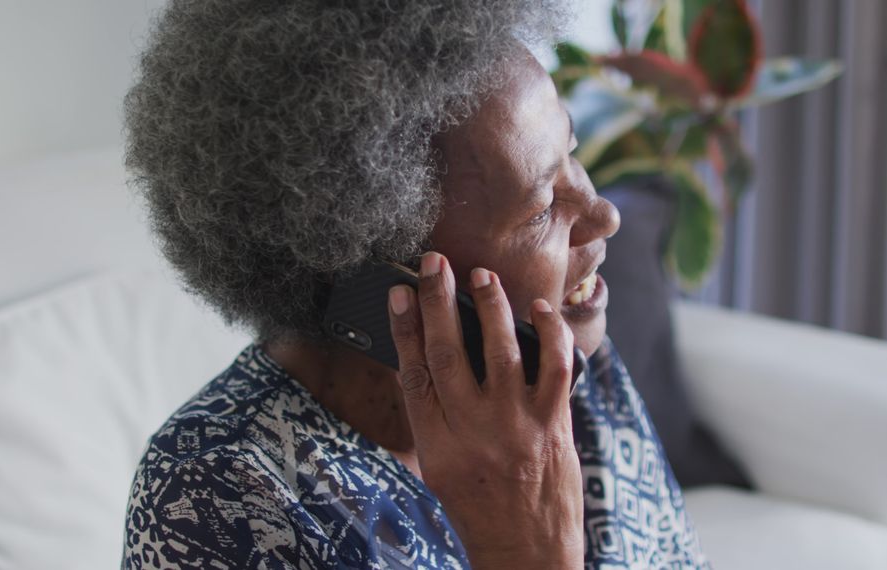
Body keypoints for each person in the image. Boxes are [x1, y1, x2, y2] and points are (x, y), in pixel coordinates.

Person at [121, 0, 710, 568]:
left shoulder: (560, 365)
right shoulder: (216, 499)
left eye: (571, 154)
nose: (603, 215)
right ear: (380, 279)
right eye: (538, 209)